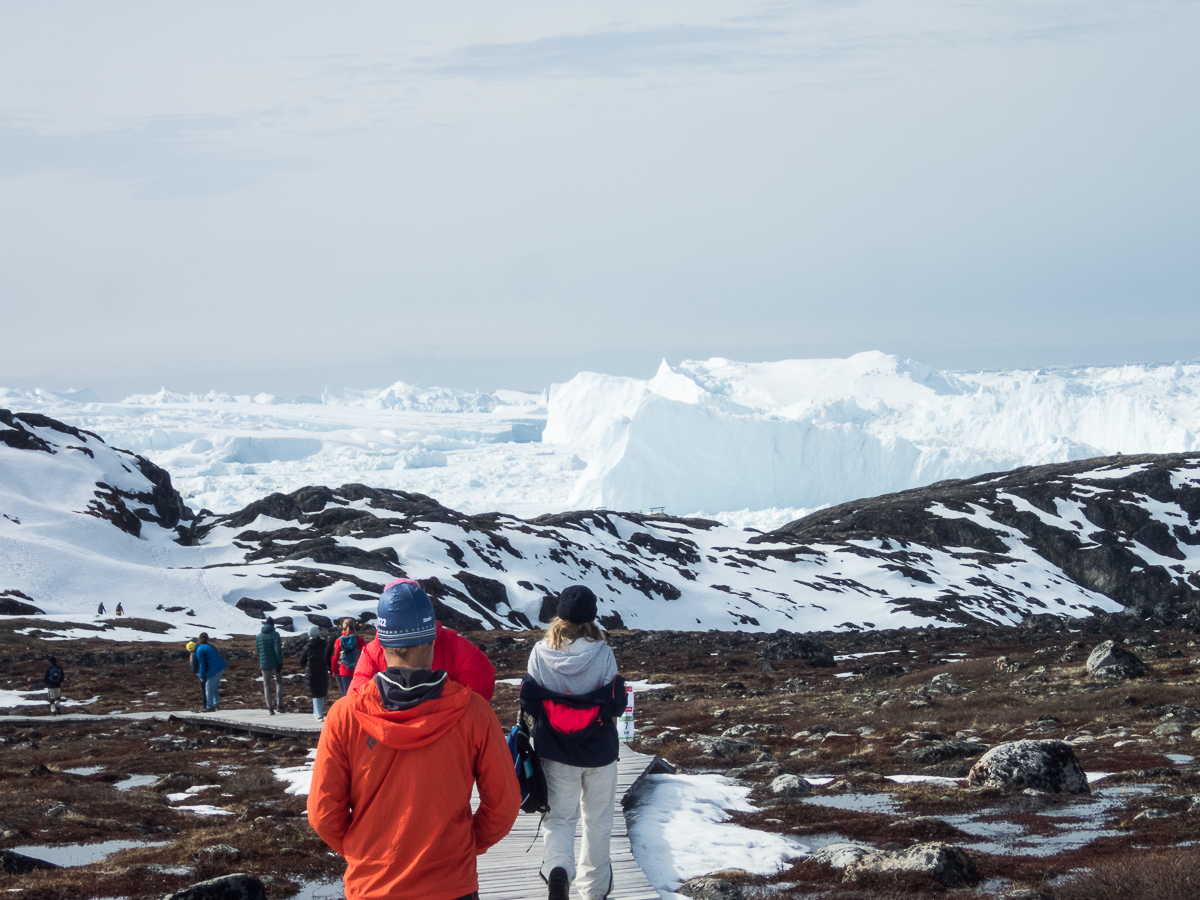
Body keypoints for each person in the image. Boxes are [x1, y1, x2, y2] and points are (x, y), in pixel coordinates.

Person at [308, 579, 520, 900]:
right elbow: (504, 804)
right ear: (433, 639)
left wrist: (363, 852)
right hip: (453, 886)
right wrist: (465, 845)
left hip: (371, 886)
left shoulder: (344, 715)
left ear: (381, 642)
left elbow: (323, 814)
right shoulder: (473, 712)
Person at [520, 586, 625, 900]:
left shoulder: (541, 653)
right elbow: (615, 706)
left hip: (556, 753)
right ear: (592, 616)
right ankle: (593, 892)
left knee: (561, 819)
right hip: (600, 753)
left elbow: (529, 703)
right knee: (598, 822)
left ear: (560, 614)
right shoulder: (603, 654)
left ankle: (558, 871)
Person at [347, 578, 496, 701]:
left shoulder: (373, 650)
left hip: (389, 731)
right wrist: (454, 709)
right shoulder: (452, 642)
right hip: (449, 727)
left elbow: (357, 697)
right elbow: (483, 678)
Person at [299, 625, 329, 720]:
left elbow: (302, 661)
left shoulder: (307, 647)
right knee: (321, 692)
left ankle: (318, 713)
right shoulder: (324, 645)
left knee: (315, 693)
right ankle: (318, 712)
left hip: (311, 672)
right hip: (322, 671)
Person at [256, 617, 285, 715]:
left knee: (266, 685)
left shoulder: (259, 636)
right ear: (273, 625)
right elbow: (277, 650)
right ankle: (280, 706)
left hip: (264, 663)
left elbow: (259, 651)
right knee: (279, 682)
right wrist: (280, 662)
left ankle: (270, 708)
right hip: (275, 663)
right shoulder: (276, 635)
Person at [330, 618, 365, 696]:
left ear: (343, 627)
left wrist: (335, 671)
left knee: (346, 696)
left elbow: (335, 658)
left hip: (344, 670)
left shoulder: (339, 641)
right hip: (357, 670)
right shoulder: (359, 639)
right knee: (358, 696)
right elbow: (364, 656)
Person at [194, 633, 226, 712]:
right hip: (220, 667)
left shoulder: (199, 650)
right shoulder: (206, 647)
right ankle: (216, 704)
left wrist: (200, 675)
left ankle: (210, 706)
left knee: (208, 688)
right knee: (213, 687)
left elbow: (202, 664)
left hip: (214, 670)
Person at [186, 641, 206, 709]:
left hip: (201, 673)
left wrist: (200, 674)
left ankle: (205, 705)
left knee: (204, 689)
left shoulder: (194, 654)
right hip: (205, 672)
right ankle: (211, 705)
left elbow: (196, 664)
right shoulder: (201, 649)